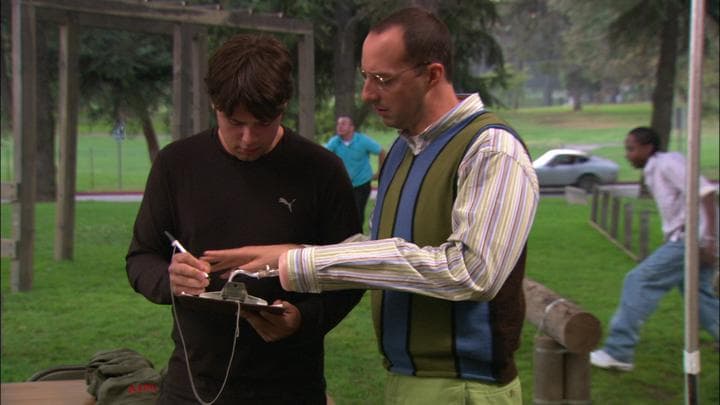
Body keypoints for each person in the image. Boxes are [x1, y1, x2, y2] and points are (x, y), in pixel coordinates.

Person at [207, 7, 539, 404]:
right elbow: (392, 249)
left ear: (432, 74)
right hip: (406, 378)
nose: (367, 93)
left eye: (383, 79)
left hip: (466, 386)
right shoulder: (401, 149)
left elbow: (470, 271)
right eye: (366, 76)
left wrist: (305, 263)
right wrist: (291, 254)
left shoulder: (491, 149)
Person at [125, 34, 363, 404]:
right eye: (234, 122)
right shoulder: (177, 165)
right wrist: (169, 278)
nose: (248, 138)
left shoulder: (321, 170)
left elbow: (350, 275)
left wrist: (303, 318)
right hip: (194, 384)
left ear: (283, 107)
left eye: (263, 123)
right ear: (213, 104)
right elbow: (141, 258)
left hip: (290, 385)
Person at [590, 126, 719, 371]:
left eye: (631, 148)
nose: (628, 155)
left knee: (638, 280)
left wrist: (710, 238)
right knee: (701, 298)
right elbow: (678, 209)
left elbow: (707, 192)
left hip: (693, 240)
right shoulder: (654, 170)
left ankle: (619, 351)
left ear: (648, 147)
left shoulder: (668, 162)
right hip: (686, 239)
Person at [325, 116, 386, 226]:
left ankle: (357, 237)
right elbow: (323, 155)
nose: (340, 127)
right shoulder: (335, 142)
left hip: (361, 183)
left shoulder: (362, 140)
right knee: (341, 213)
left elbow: (381, 151)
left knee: (357, 213)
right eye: (338, 124)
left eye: (343, 124)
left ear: (352, 128)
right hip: (343, 183)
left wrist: (379, 172)